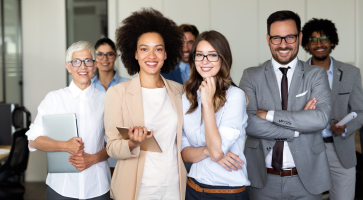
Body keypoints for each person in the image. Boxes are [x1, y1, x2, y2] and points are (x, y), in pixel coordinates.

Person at [240, 10, 332, 200]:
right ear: (268, 39)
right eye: (276, 38)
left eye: (289, 37)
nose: (283, 45)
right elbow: (248, 122)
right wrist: (297, 128)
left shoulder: (316, 75)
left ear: (299, 38)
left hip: (306, 179)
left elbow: (320, 118)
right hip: (263, 179)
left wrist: (269, 115)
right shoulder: (251, 75)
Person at [103, 8, 186, 200]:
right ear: (135, 54)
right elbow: (112, 146)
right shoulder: (118, 93)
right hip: (137, 185)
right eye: (144, 49)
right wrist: (132, 143)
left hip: (173, 183)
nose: (152, 55)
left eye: (158, 49)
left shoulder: (178, 91)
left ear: (166, 54)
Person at [25, 41, 111, 200]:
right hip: (62, 188)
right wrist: (64, 145)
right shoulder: (54, 99)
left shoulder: (107, 100)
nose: (83, 67)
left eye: (88, 61)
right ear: (68, 66)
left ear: (94, 65)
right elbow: (33, 140)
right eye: (76, 62)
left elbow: (115, 144)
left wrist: (92, 159)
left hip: (97, 187)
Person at [181, 30, 250, 200]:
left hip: (228, 192)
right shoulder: (186, 97)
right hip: (193, 188)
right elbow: (184, 152)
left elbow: (217, 152)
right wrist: (206, 150)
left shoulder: (235, 96)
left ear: (223, 59)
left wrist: (207, 103)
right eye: (200, 55)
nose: (205, 61)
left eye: (212, 55)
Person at [302, 18, 363, 200]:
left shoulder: (351, 73)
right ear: (306, 44)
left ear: (332, 41)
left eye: (324, 38)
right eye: (313, 40)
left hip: (341, 151)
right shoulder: (298, 74)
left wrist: (346, 128)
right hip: (307, 150)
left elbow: (360, 112)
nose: (319, 44)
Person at [91, 38, 128, 170]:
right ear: (94, 57)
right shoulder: (87, 87)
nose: (104, 58)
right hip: (95, 154)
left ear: (116, 56)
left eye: (110, 54)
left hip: (121, 154)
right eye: (100, 54)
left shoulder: (128, 85)